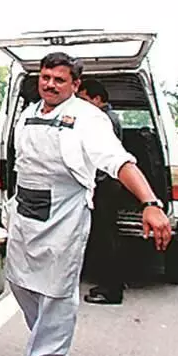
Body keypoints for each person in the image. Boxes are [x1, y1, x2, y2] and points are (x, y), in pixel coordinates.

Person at [4, 52, 171, 356]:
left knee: (57, 293)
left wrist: (150, 202)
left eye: (59, 80)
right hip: (24, 212)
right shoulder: (26, 114)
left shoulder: (88, 118)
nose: (50, 85)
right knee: (19, 282)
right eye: (45, 77)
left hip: (64, 215)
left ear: (75, 84)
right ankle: (45, 342)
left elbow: (118, 161)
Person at [77, 78, 126, 305]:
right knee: (108, 236)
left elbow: (103, 159)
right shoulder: (110, 116)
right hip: (108, 185)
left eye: (84, 100)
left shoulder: (102, 119)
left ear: (97, 99)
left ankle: (111, 288)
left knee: (105, 238)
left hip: (104, 185)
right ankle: (113, 281)